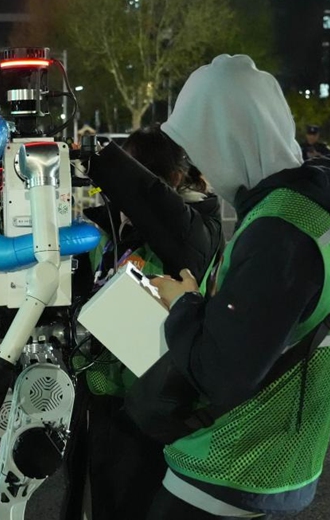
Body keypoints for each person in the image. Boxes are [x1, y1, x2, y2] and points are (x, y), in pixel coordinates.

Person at [140, 54, 330, 519]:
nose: (202, 168)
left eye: (202, 148)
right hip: (272, 461)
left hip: (231, 469)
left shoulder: (281, 230)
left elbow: (219, 372)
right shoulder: (308, 207)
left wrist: (183, 303)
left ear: (229, 140)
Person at [61, 126, 223, 520]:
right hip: (105, 395)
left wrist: (104, 160)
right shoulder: (113, 225)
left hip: (152, 404)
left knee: (135, 504)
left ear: (175, 179)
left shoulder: (194, 231)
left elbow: (153, 203)